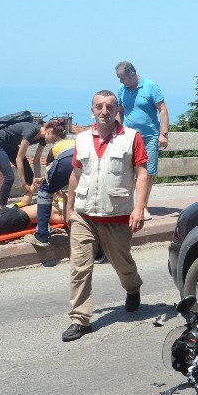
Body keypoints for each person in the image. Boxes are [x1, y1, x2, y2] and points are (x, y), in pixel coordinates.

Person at [61, 90, 149, 342]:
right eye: (99, 106)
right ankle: (80, 319)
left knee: (122, 263)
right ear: (92, 110)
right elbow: (76, 175)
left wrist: (139, 208)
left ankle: (133, 288)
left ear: (117, 110)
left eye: (110, 106)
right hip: (84, 214)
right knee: (80, 267)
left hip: (116, 213)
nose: (104, 111)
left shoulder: (132, 137)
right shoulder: (81, 139)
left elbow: (141, 174)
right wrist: (69, 208)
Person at [115, 61, 168, 220]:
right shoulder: (121, 90)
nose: (120, 81)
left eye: (122, 77)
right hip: (129, 136)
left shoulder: (150, 86)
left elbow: (163, 110)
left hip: (149, 136)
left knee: (147, 172)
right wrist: (116, 131)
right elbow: (120, 111)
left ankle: (143, 206)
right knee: (127, 171)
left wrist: (163, 134)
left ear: (132, 74)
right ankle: (128, 205)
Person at [23, 118, 75, 248]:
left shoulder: (55, 149)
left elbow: (50, 175)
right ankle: (97, 248)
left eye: (46, 134)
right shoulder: (74, 141)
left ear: (51, 132)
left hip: (66, 158)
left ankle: (41, 235)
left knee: (45, 191)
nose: (45, 137)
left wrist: (48, 185)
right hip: (83, 158)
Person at [0, 116, 46, 207]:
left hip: (12, 146)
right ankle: (2, 207)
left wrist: (38, 180)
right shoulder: (31, 132)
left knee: (29, 174)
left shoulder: (44, 138)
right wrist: (23, 184)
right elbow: (19, 159)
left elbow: (36, 160)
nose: (52, 141)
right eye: (54, 139)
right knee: (9, 177)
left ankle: (25, 202)